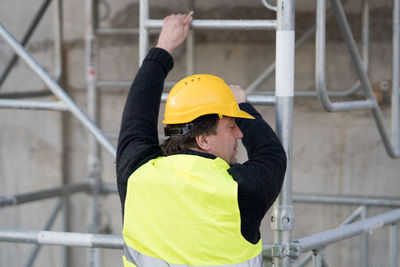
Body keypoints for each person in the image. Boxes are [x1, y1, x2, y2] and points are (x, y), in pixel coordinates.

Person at [116, 13, 287, 267]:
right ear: (203, 139)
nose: (239, 133)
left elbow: (136, 117)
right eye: (231, 126)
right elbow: (272, 153)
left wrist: (164, 47)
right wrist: (243, 107)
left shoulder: (136, 177)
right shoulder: (241, 192)